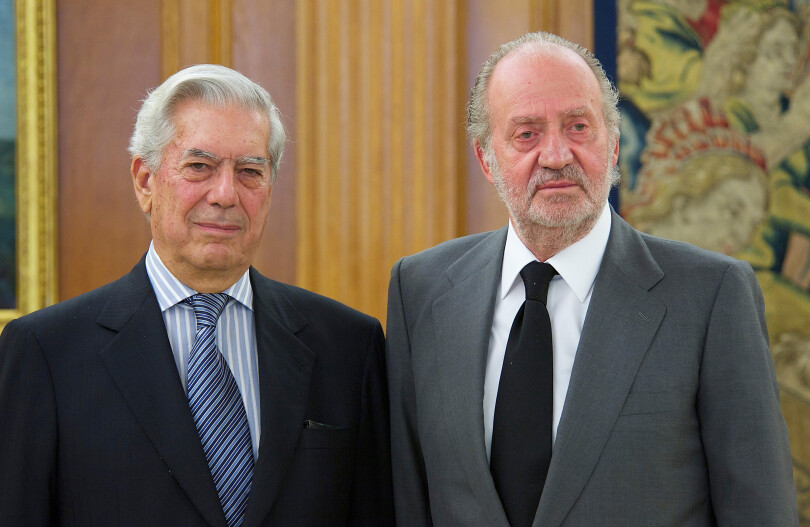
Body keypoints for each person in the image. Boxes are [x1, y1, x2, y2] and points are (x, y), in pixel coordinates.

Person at [385, 31, 798, 526]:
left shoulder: (711, 296)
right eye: (526, 134)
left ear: (614, 143)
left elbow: (758, 510)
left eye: (578, 127)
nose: (557, 155)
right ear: (485, 159)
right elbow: (408, 501)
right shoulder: (422, 291)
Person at [0, 64, 393, 526]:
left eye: (249, 171)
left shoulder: (349, 347)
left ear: (270, 189)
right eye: (199, 167)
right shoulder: (46, 354)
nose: (225, 194)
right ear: (145, 181)